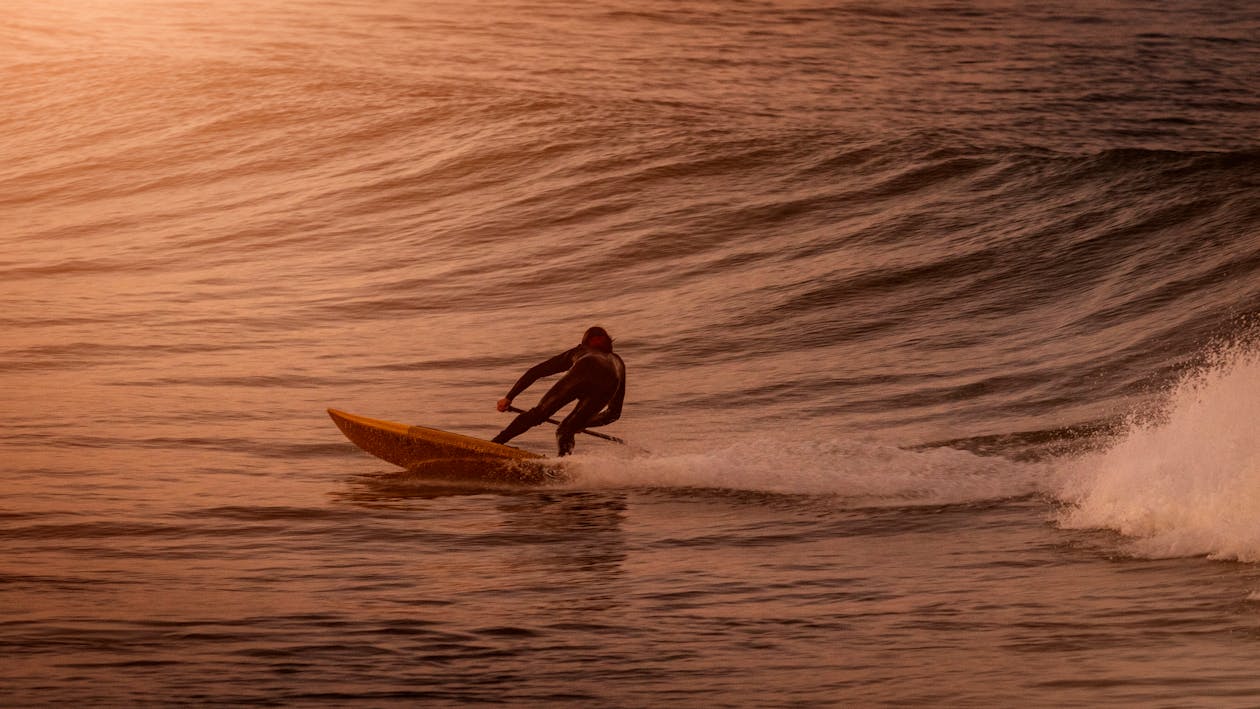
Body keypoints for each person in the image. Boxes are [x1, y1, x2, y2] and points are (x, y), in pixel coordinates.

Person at [492, 326, 626, 456]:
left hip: (583, 371)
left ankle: (496, 444)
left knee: (538, 414)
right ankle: (563, 466)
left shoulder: (583, 350)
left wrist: (509, 397)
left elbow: (538, 371)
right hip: (607, 386)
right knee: (566, 429)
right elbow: (613, 414)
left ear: (588, 341)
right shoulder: (618, 363)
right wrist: (582, 423)